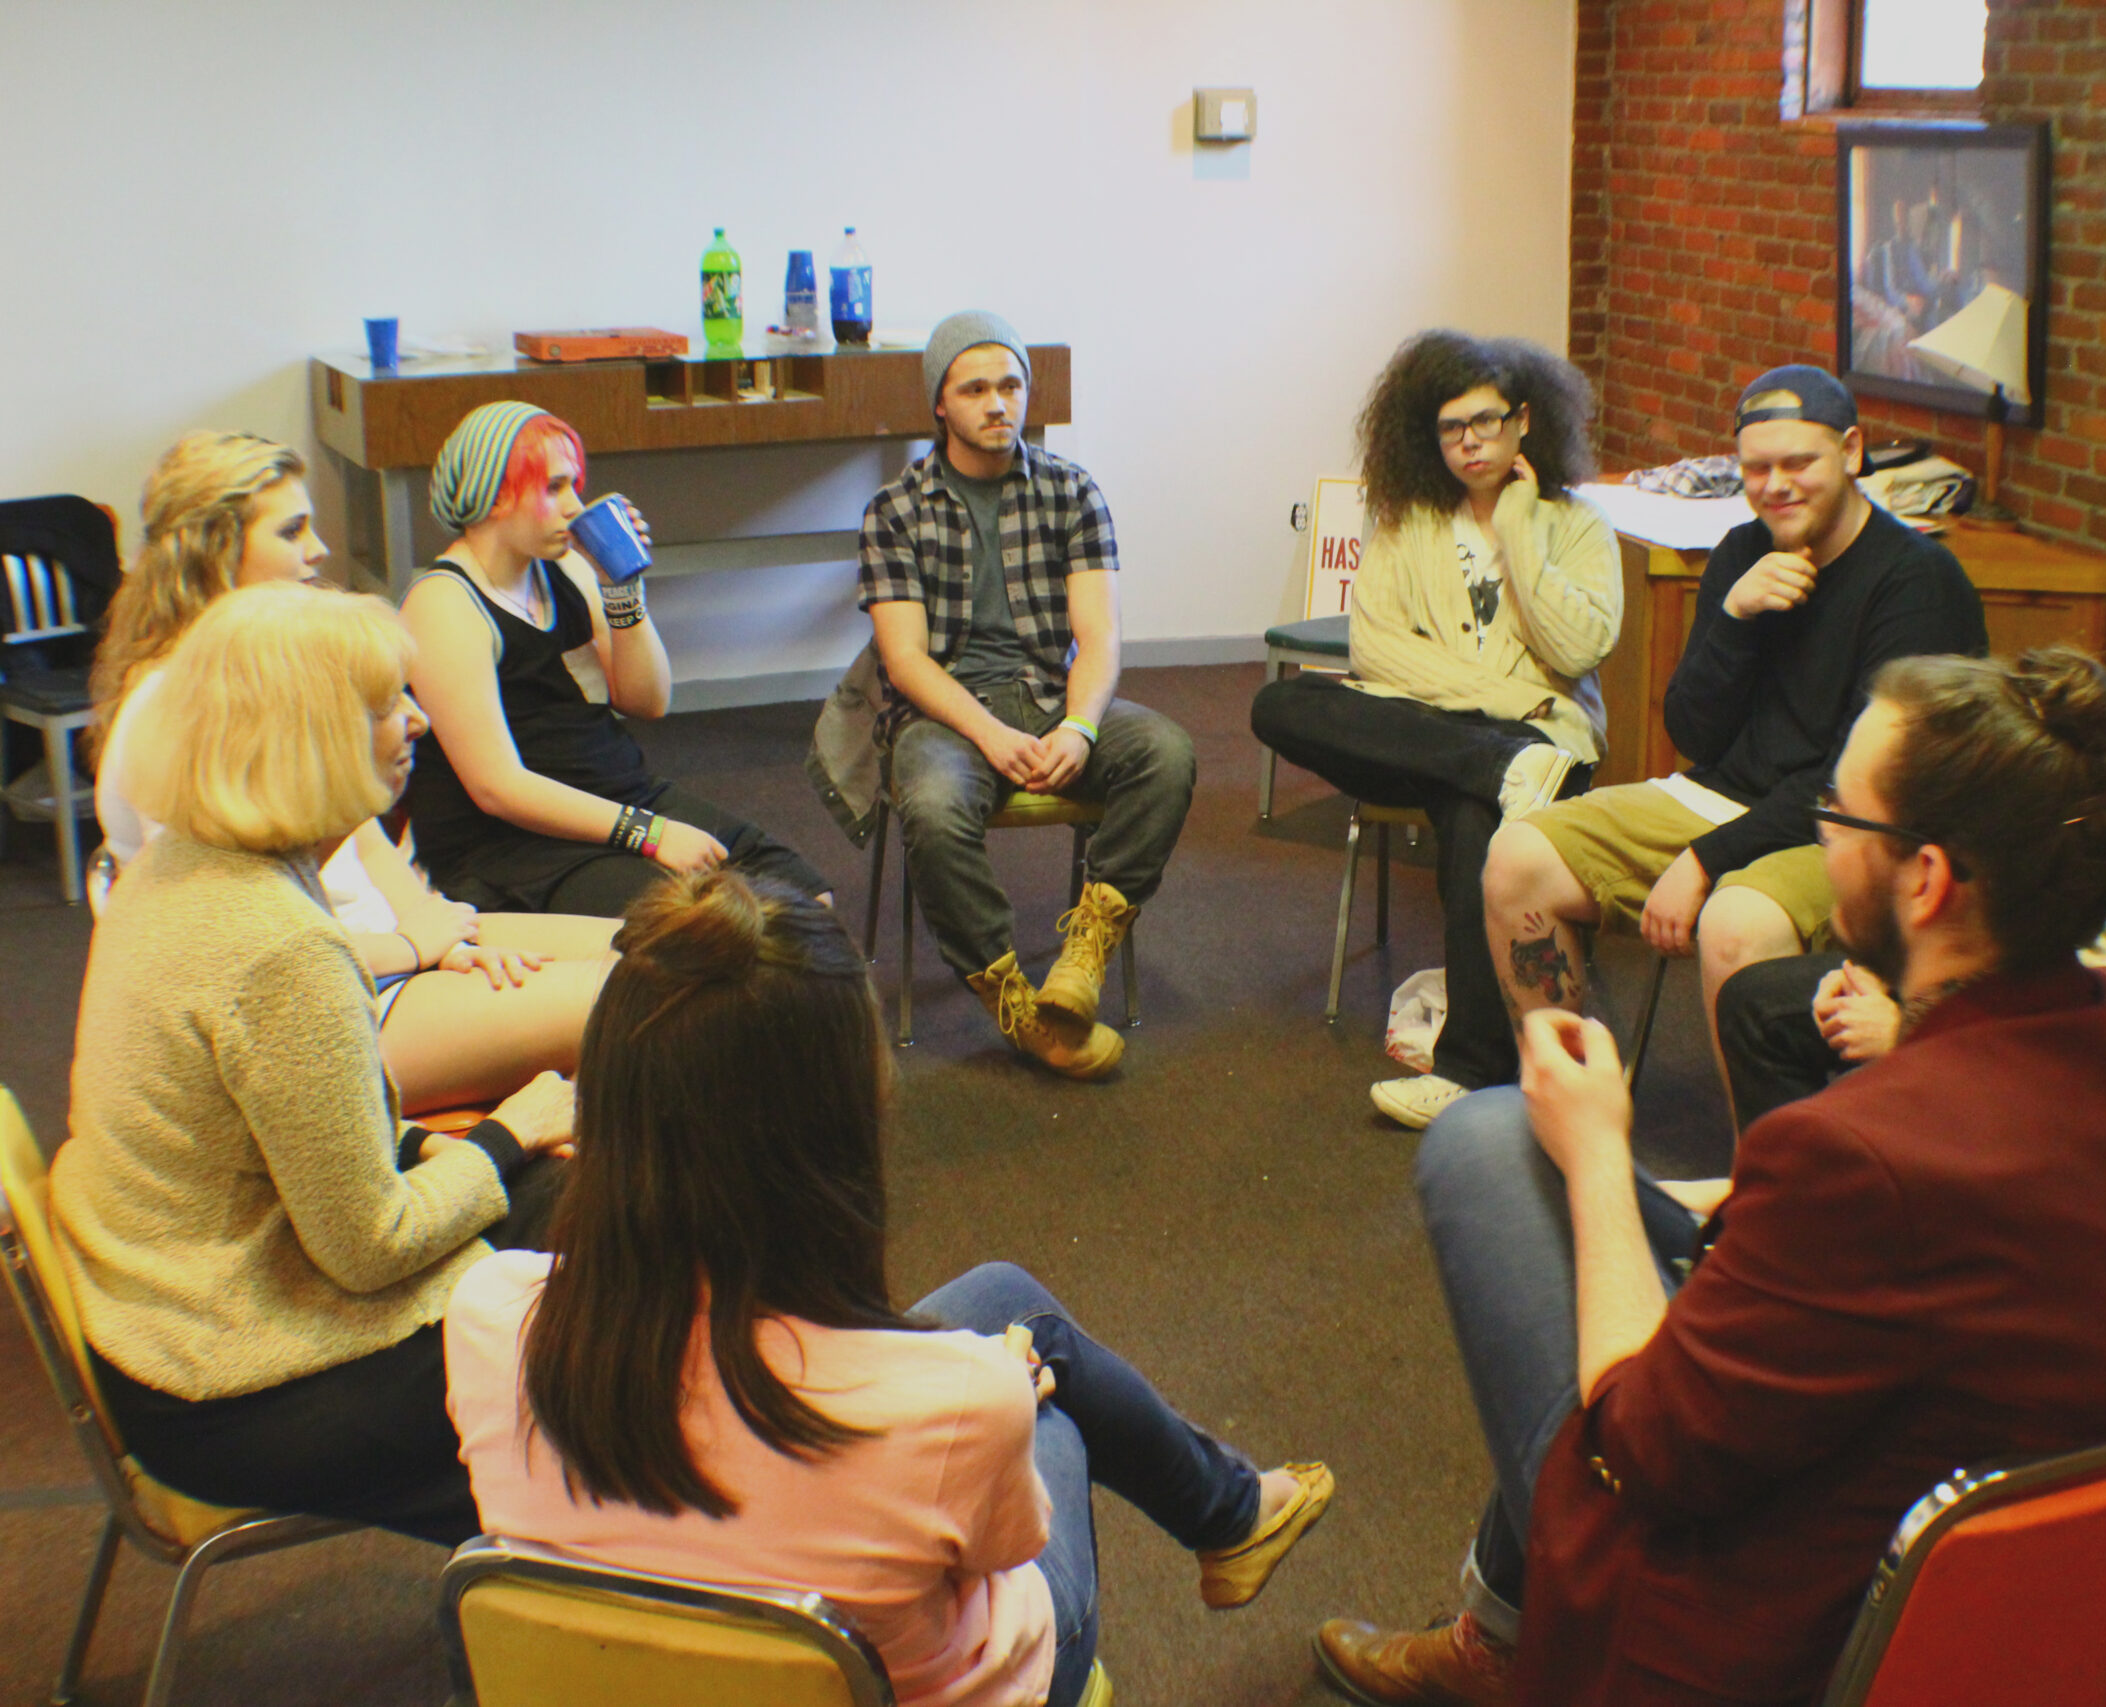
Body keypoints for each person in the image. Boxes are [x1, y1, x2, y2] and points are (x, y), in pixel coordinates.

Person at [1315, 649, 2106, 1707]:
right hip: (2057, 1606)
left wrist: (1592, 1159)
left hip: (1788, 1639)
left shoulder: (1863, 1159)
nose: (1819, 831)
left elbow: (1636, 1447)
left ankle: (1510, 1647)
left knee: (1488, 1144)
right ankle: (1495, 1633)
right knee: (1626, 1221)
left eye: (1836, 814)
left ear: (1927, 877)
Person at [445, 869, 1331, 1707]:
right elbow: (1003, 1555)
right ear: (838, 1125)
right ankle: (1219, 1524)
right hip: (953, 1676)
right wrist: (1002, 1408)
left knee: (1005, 1296)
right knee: (1046, 1399)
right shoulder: (962, 1402)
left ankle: (1234, 1513)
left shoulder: (491, 1312)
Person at [51, 582, 574, 1545]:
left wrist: (472, 1151)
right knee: (616, 1361)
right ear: (311, 735)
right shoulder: (280, 948)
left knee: (586, 1213)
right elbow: (369, 1246)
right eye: (385, 706)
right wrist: (509, 1133)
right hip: (236, 1383)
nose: (416, 717)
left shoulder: (174, 868)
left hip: (161, 1325)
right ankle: (584, 1601)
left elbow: (301, 1136)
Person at [1401, 366, 1983, 1131]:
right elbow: (1693, 730)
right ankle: (1572, 1105)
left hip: (1850, 827)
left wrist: (1709, 859)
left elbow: (1858, 779)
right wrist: (1735, 619)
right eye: (1756, 468)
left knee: (1736, 920)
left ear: (1851, 450)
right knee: (1516, 855)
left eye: (1798, 463)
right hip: (1720, 797)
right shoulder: (1743, 551)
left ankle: (1772, 1174)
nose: (1776, 486)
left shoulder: (1916, 581)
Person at [1719, 514, 2106, 1126]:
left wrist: (1920, 1017)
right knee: (1762, 1003)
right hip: (2040, 1000)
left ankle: (1834, 1199)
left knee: (1789, 1016)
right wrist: (1895, 965)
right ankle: (1808, 1194)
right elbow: (2038, 893)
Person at [88, 430, 619, 1112]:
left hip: (383, 951)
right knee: (641, 1001)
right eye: (293, 530)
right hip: (323, 1009)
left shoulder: (273, 664)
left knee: (654, 950)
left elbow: (362, 833)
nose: (319, 549)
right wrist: (412, 947)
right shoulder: (174, 711)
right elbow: (234, 961)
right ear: (217, 549)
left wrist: (437, 929)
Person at [810, 310, 1195, 1079]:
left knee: (1167, 751)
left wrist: (1081, 727)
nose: (999, 402)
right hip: (945, 714)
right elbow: (906, 661)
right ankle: (1016, 1002)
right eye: (976, 387)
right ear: (940, 405)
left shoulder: (1072, 491)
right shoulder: (896, 509)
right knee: (931, 805)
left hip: (1050, 698)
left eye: (1011, 384)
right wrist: (991, 735)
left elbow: (1101, 638)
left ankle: (1085, 950)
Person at [1250, 331, 1620, 1123]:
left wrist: (1519, 528)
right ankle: (1493, 767)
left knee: (1472, 815)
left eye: (1485, 422)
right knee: (1279, 702)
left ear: (1524, 420)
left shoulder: (1578, 525)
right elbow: (1377, 651)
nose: (1470, 443)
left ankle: (1468, 1069)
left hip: (1550, 750)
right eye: (1451, 429)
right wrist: (1510, 705)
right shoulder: (1408, 522)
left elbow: (1578, 646)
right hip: (1477, 738)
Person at [402, 401, 829, 919]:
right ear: (492, 497)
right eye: (553, 487)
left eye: (573, 486)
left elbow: (648, 701)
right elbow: (496, 787)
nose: (573, 506)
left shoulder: (565, 571)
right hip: (514, 844)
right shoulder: (444, 603)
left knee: (807, 902)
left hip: (617, 796)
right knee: (713, 928)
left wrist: (621, 588)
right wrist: (647, 833)